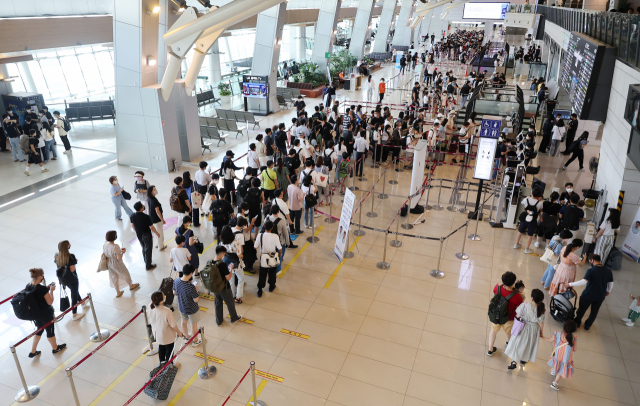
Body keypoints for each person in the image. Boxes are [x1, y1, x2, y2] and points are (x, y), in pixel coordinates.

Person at [25, 268, 66, 358]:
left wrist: (46, 289)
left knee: (39, 330)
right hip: (45, 314)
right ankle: (55, 348)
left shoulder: (28, 286)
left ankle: (33, 351)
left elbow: (36, 296)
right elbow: (50, 302)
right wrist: (51, 290)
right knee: (50, 331)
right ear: (40, 276)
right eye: (42, 275)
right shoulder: (42, 289)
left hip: (36, 314)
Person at [568, 254, 613, 330]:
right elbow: (611, 283)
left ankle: (577, 322)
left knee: (581, 309)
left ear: (592, 260)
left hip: (588, 295)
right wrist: (608, 291)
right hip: (600, 296)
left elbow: (583, 282)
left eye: (590, 261)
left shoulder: (591, 270)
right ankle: (588, 325)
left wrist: (570, 284)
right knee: (594, 312)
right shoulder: (608, 271)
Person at [504, 289, 546, 369]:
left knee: (519, 344)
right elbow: (541, 323)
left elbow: (518, 315)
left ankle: (514, 361)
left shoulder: (525, 305)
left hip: (522, 327)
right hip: (534, 329)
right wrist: (541, 332)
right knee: (529, 344)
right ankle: (524, 359)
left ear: (532, 298)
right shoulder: (541, 310)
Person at [487, 272, 524, 357]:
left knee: (493, 331)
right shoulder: (517, 296)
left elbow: (495, 292)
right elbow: (521, 307)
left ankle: (490, 349)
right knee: (509, 333)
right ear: (514, 282)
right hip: (509, 318)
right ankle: (508, 343)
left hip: (496, 316)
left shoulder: (497, 287)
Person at [148, 291, 183, 367]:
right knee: (169, 351)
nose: (165, 295)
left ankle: (162, 363)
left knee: (161, 348)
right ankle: (170, 366)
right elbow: (173, 325)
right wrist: (179, 332)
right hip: (167, 335)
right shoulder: (167, 311)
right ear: (161, 301)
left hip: (157, 334)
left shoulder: (150, 306)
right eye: (163, 295)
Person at [210, 246, 243, 325]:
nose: (224, 255)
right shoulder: (222, 265)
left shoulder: (210, 262)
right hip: (224, 288)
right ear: (221, 254)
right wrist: (230, 269)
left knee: (218, 303)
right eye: (224, 254)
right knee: (230, 302)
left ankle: (219, 321)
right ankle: (234, 317)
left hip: (215, 287)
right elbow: (228, 278)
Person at [55, 240, 87, 320]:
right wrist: (74, 262)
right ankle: (75, 314)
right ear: (67, 247)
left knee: (74, 291)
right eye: (69, 244)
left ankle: (82, 302)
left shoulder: (57, 256)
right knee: (74, 295)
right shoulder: (71, 256)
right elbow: (72, 269)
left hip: (63, 279)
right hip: (72, 279)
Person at [541, 320, 578, 391]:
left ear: (564, 326)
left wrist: (542, 336)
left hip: (557, 355)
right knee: (561, 369)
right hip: (566, 359)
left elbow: (549, 340)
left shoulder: (557, 335)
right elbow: (575, 349)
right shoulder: (573, 339)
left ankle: (554, 370)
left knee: (556, 363)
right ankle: (554, 383)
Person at [103, 231, 139, 297]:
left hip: (109, 263)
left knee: (114, 276)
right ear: (114, 237)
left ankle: (118, 292)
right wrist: (122, 252)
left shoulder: (105, 244)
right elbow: (119, 258)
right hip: (116, 263)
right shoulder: (115, 246)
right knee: (125, 273)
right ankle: (131, 285)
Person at [173, 264, 201, 347]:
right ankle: (195, 341)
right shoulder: (191, 287)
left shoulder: (176, 281)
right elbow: (195, 300)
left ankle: (187, 337)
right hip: (192, 309)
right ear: (191, 273)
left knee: (183, 321)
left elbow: (174, 292)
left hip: (182, 306)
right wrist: (196, 290)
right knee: (193, 324)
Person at [254, 220, 282, 297]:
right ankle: (271, 286)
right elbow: (279, 247)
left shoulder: (260, 235)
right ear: (272, 228)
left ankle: (260, 289)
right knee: (272, 272)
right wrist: (280, 253)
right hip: (273, 257)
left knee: (262, 274)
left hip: (264, 258)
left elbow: (255, 246)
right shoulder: (275, 236)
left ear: (264, 227)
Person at [130, 201, 160, 270]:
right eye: (142, 205)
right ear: (141, 208)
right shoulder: (146, 217)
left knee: (143, 248)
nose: (143, 205)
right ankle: (148, 265)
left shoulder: (132, 215)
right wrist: (157, 233)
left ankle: (146, 261)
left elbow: (132, 226)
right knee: (148, 250)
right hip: (146, 235)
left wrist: (137, 231)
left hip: (139, 235)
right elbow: (151, 227)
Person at [513, 188, 544, 254]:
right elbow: (540, 210)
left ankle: (516, 244)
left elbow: (523, 204)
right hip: (533, 220)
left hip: (524, 219)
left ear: (531, 193)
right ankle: (527, 249)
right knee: (530, 234)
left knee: (520, 231)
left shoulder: (526, 199)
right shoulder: (540, 203)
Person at [219, 225, 245, 303]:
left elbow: (221, 255)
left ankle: (232, 295)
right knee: (241, 279)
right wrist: (243, 256)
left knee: (231, 280)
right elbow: (239, 255)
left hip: (227, 264)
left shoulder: (221, 243)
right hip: (236, 264)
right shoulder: (235, 242)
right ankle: (238, 297)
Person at [266, 205, 290, 275]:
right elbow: (286, 233)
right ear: (278, 211)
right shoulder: (282, 221)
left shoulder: (267, 218)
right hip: (279, 242)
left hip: (268, 241)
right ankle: (278, 270)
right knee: (280, 255)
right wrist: (288, 243)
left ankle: (269, 267)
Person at [147, 186, 167, 251]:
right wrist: (162, 219)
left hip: (151, 218)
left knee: (155, 233)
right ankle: (161, 246)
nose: (156, 190)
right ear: (151, 192)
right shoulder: (154, 200)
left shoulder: (149, 198)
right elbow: (157, 211)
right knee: (160, 233)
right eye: (154, 190)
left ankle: (156, 244)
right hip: (156, 219)